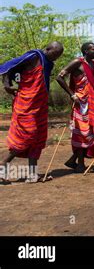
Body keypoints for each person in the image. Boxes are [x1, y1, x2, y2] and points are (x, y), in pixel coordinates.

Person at [0, 42, 64, 184]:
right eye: (54, 54)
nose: (56, 58)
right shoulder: (33, 56)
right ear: (47, 49)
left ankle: (32, 175)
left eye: (58, 56)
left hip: (40, 106)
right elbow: (7, 67)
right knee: (27, 135)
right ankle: (3, 164)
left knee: (38, 138)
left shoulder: (48, 63)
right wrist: (7, 85)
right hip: (26, 104)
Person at [57, 42, 94, 173]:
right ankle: (81, 165)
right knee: (82, 133)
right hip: (81, 102)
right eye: (93, 49)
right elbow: (59, 77)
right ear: (85, 51)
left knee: (90, 133)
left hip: (93, 103)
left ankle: (73, 161)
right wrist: (72, 95)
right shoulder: (78, 62)